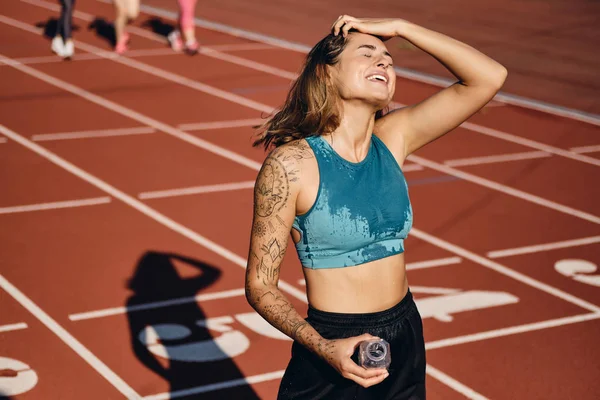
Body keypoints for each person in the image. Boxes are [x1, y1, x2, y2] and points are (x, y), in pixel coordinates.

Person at [245, 15, 507, 400]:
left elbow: (489, 77)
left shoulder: (394, 138)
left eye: (388, 58)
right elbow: (260, 285)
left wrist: (403, 28)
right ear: (327, 74)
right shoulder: (291, 165)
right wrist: (322, 346)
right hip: (333, 342)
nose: (384, 62)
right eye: (367, 54)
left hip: (404, 335)